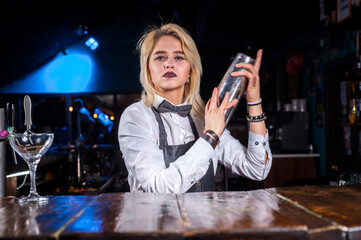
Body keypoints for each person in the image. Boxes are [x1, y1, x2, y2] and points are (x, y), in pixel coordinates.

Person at [118, 23, 272, 193]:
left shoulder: (202, 118)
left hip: (203, 219)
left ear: (190, 71)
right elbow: (160, 188)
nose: (169, 64)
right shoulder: (136, 117)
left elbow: (257, 169)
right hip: (156, 219)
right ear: (148, 70)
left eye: (179, 57)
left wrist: (254, 101)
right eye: (160, 57)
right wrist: (211, 136)